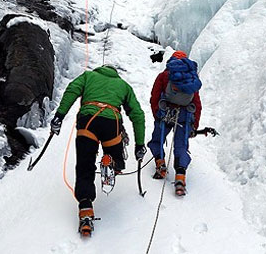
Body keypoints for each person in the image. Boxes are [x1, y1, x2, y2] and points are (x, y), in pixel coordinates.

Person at [50, 64, 146, 236]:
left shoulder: (88, 76)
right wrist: (139, 144)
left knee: (85, 166)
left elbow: (72, 89)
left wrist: (59, 116)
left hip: (88, 122)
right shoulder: (123, 85)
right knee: (116, 156)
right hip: (112, 124)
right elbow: (137, 114)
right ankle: (111, 163)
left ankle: (86, 208)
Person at [147, 51, 202, 196]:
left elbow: (155, 96)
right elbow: (196, 102)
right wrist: (194, 124)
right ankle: (180, 177)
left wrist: (157, 114)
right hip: (185, 114)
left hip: (166, 112)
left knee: (157, 140)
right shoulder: (191, 78)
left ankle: (161, 165)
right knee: (181, 145)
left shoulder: (164, 75)